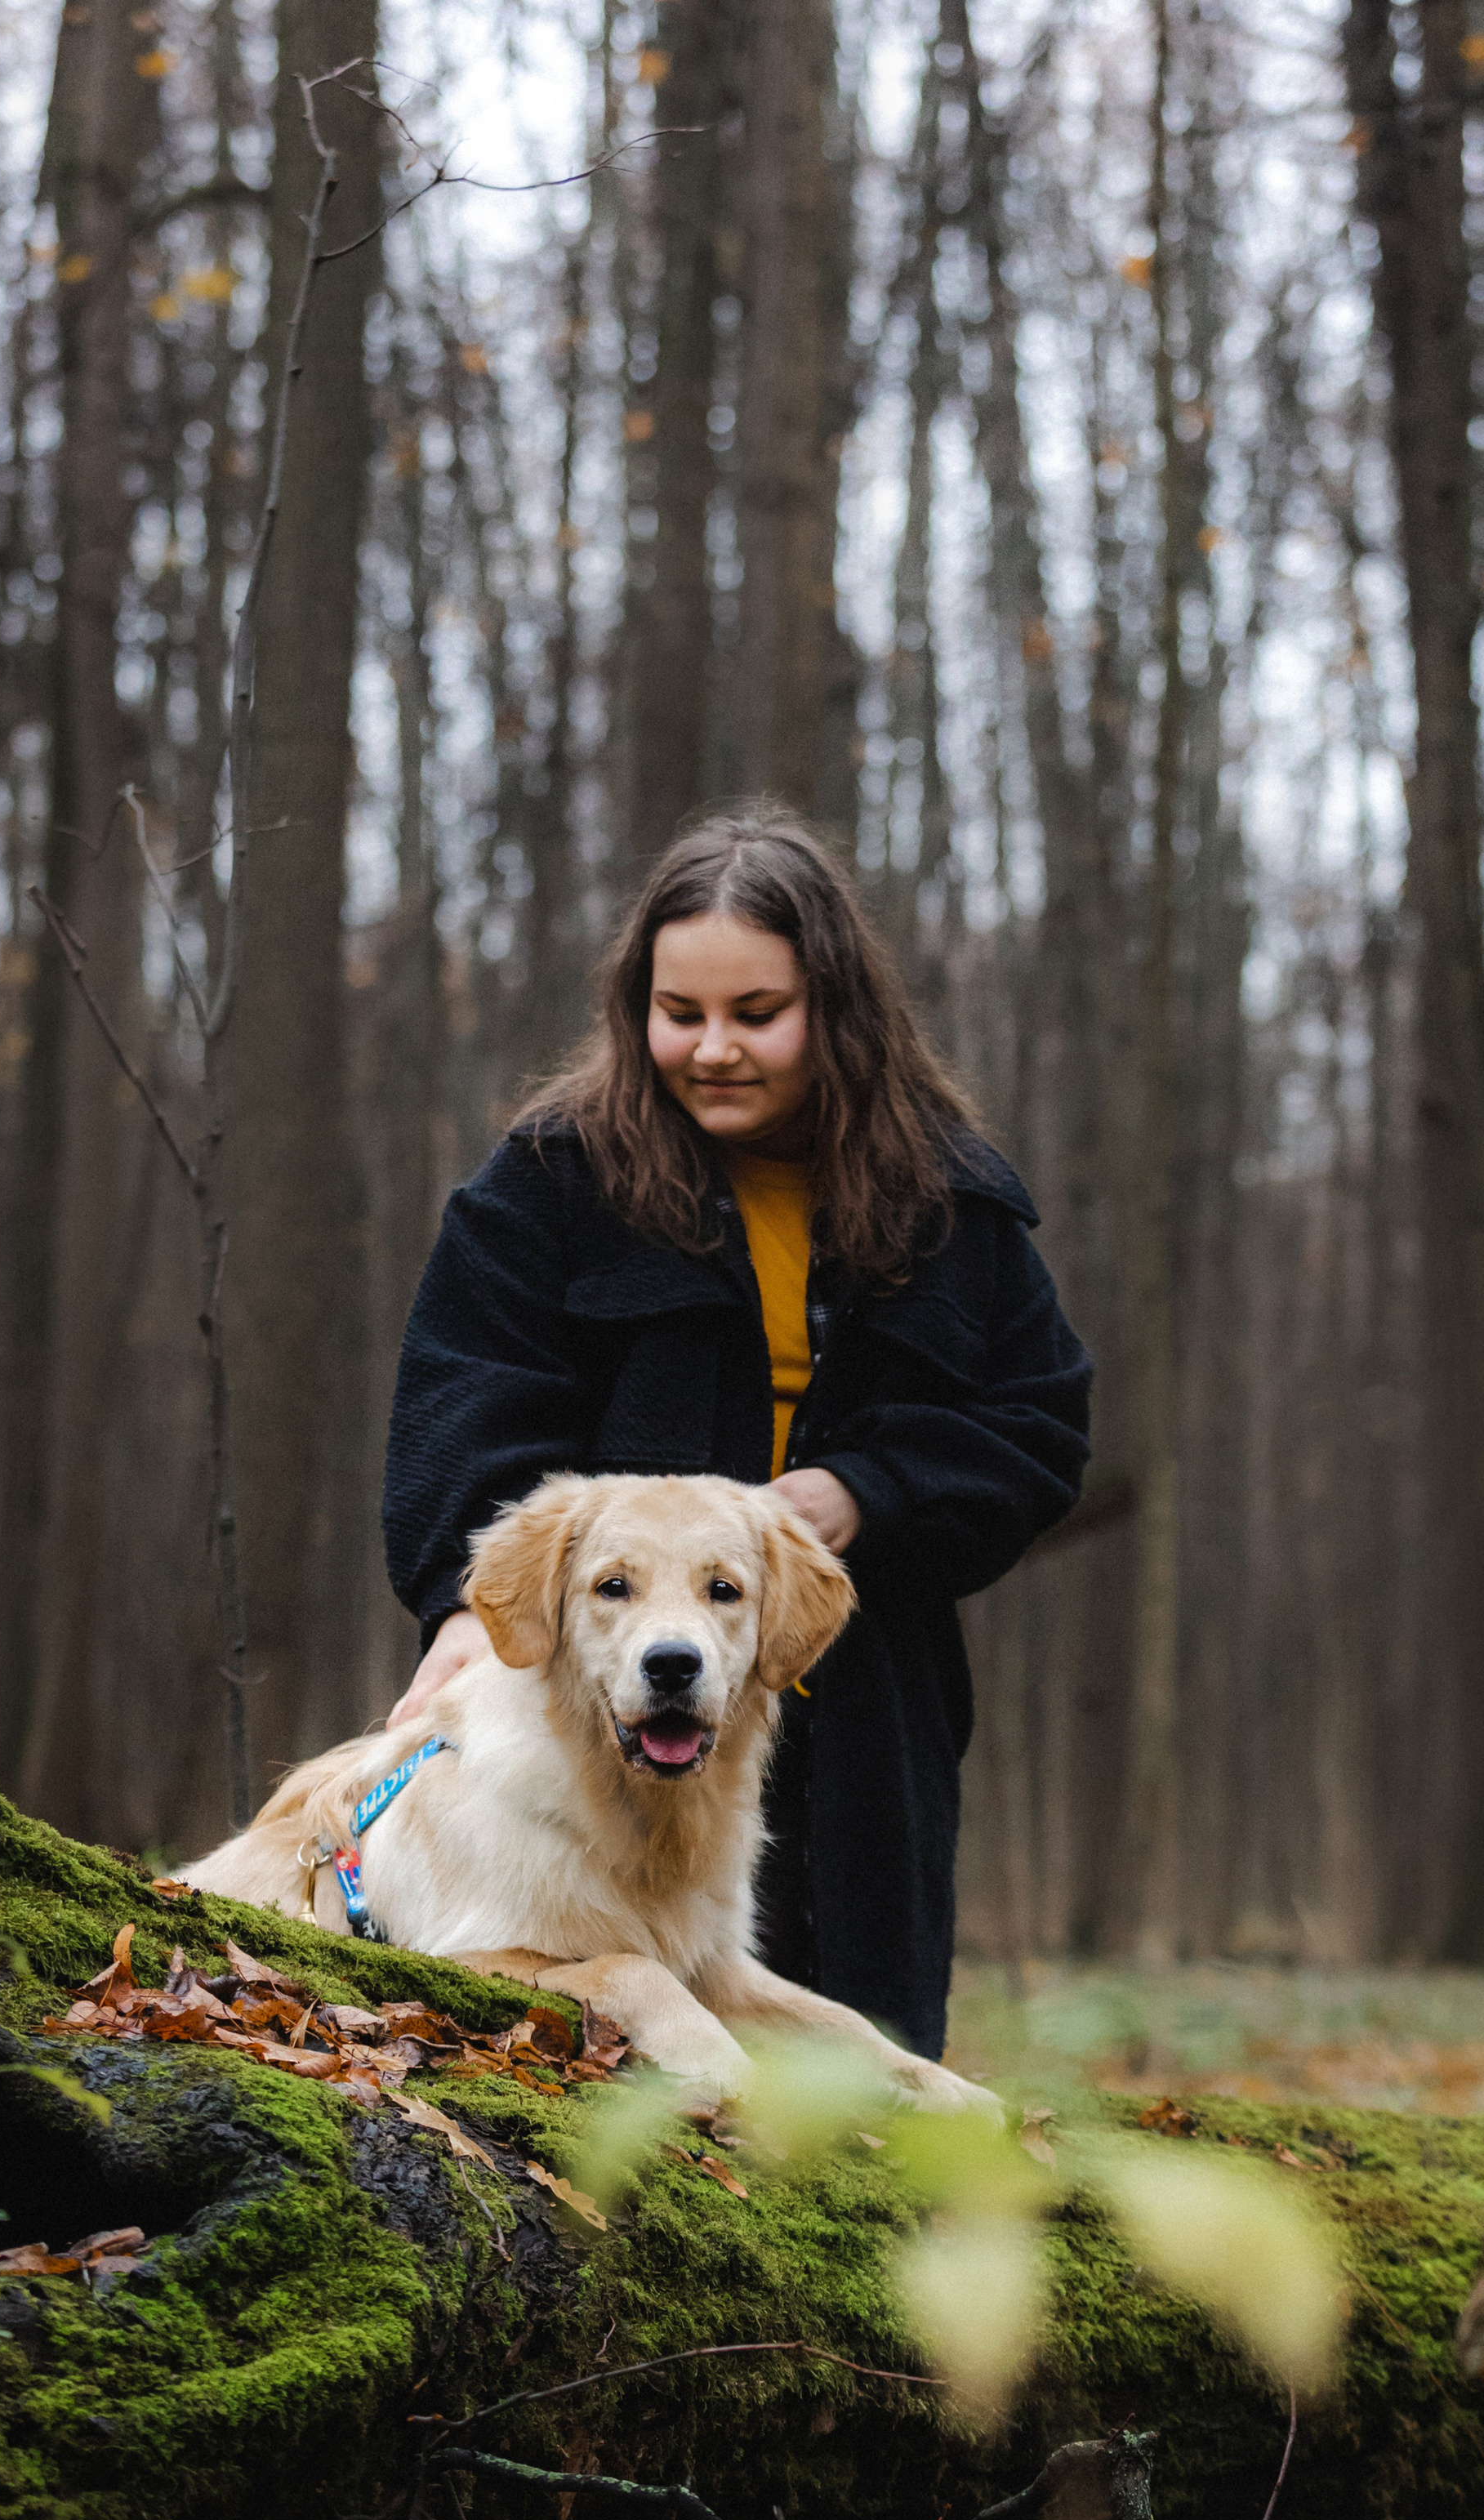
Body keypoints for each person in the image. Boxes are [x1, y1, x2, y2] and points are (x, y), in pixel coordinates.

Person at [380, 809, 1090, 2059]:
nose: (710, 1049)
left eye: (755, 1014)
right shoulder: (549, 1185)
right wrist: (461, 1609)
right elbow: (464, 1405)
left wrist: (862, 1493)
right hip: (589, 1705)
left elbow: (1035, 1429)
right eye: (679, 1012)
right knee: (599, 2038)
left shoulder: (949, 1204)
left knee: (856, 2052)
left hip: (865, 1709)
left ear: (836, 1010)